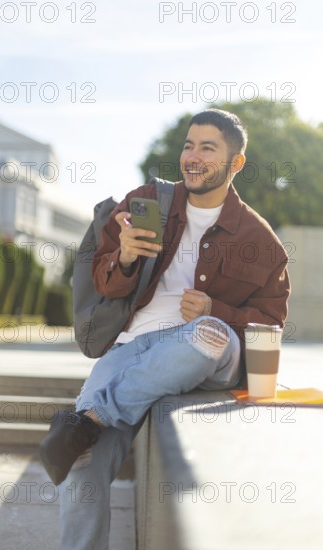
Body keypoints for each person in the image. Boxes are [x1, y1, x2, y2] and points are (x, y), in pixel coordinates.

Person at [39, 108, 290, 550]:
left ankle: (92, 416)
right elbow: (100, 277)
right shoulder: (149, 201)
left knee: (206, 334)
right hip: (129, 346)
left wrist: (219, 308)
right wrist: (126, 259)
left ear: (236, 163)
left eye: (207, 148)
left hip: (205, 346)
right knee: (80, 462)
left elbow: (271, 325)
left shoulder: (261, 240)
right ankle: (91, 431)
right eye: (188, 145)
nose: (192, 157)